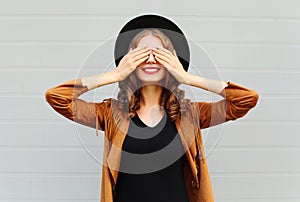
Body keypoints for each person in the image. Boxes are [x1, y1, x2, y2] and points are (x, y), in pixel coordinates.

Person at [45, 28, 259, 202]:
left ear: (171, 61)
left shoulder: (190, 114)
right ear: (129, 61)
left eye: (158, 53)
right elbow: (57, 97)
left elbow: (245, 99)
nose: (149, 59)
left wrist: (187, 78)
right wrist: (115, 74)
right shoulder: (111, 114)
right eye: (140, 53)